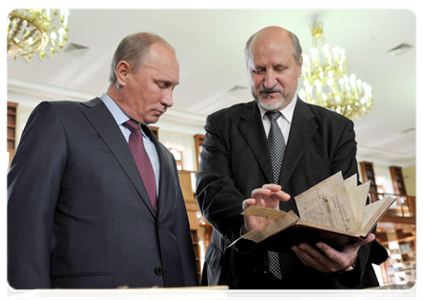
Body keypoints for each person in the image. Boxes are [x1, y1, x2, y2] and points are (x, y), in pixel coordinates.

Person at [196, 26, 388, 300]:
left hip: (319, 279)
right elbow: (211, 190)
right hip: (241, 278)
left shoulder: (337, 128)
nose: (269, 81)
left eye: (280, 68)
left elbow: (349, 203)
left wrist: (350, 257)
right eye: (258, 70)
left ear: (299, 66)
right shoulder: (220, 123)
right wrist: (247, 222)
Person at [6, 32, 199, 296]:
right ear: (123, 72)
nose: (169, 100)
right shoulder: (60, 121)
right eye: (161, 84)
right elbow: (22, 225)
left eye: (173, 88)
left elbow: (181, 247)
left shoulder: (164, 156)